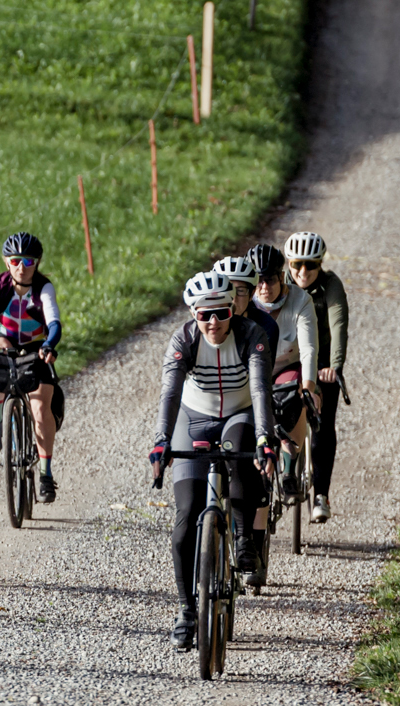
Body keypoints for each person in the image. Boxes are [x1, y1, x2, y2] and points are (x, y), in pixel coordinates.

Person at [146, 270, 276, 649]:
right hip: (194, 417)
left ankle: (241, 533)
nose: (214, 322)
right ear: (193, 314)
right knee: (185, 518)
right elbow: (170, 394)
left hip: (240, 413)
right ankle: (187, 610)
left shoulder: (252, 336)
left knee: (241, 451)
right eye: (205, 315)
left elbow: (260, 388)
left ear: (233, 310)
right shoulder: (182, 340)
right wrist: (161, 442)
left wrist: (266, 437)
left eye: (221, 313)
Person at [0, 232, 66, 502]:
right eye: (15, 261)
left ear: (37, 263)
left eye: (28, 261)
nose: (21, 267)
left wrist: (49, 344)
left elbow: (54, 321)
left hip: (37, 344)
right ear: (6, 262)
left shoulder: (44, 288)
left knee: (39, 407)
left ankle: (46, 474)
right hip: (5, 336)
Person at [283, 230, 351, 522]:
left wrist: (334, 366)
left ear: (320, 264)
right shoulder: (280, 285)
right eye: (296, 264)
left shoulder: (330, 285)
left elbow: (338, 327)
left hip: (322, 363)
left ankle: (321, 495)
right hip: (289, 361)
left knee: (323, 427)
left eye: (310, 265)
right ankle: (285, 473)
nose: (302, 272)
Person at [250, 242, 321, 508]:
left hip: (288, 367)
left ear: (282, 277)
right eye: (257, 280)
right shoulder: (245, 302)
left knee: (293, 399)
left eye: (269, 279)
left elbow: (309, 349)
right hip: (255, 367)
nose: (263, 287)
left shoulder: (301, 301)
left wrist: (310, 388)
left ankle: (290, 467)